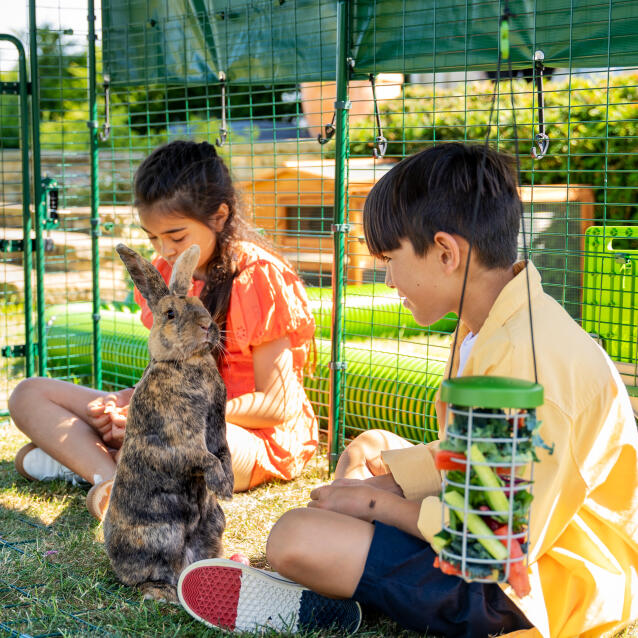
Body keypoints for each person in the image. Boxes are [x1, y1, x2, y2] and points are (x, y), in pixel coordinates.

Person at [175, 143, 638, 637]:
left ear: (446, 252)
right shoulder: (494, 319)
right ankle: (344, 563)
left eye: (389, 259)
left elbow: (491, 541)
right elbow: (478, 456)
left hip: (531, 590)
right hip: (515, 537)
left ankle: (324, 586)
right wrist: (381, 484)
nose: (388, 276)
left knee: (294, 536)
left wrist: (378, 506)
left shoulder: (527, 362)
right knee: (373, 448)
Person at [9, 140, 319, 520]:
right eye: (152, 237)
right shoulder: (167, 273)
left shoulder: (259, 278)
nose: (164, 250)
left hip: (249, 437)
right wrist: (130, 403)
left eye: (176, 236)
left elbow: (277, 405)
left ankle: (87, 461)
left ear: (219, 217)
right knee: (29, 393)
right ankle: (111, 479)